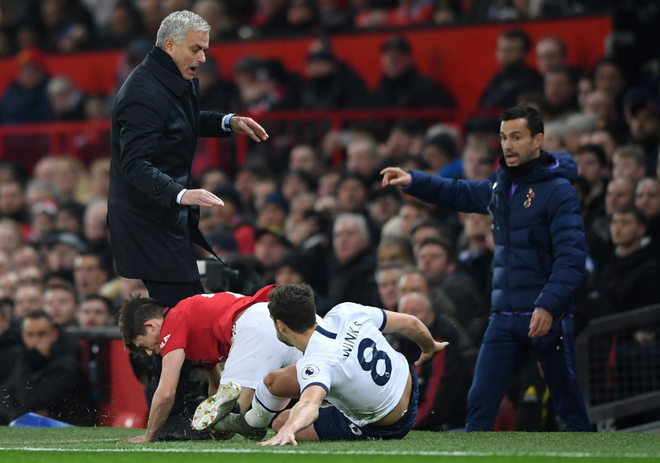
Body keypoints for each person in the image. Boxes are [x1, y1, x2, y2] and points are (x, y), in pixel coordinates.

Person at [381, 104, 592, 432]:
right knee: (479, 401)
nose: (508, 145)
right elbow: (458, 192)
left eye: (517, 137)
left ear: (538, 140)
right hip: (504, 317)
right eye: (504, 137)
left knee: (569, 405)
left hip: (547, 317)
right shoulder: (499, 186)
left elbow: (571, 258)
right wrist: (413, 180)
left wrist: (549, 305)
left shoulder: (559, 190)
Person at [108, 10, 268, 438]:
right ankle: (175, 416)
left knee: (183, 314)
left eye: (205, 50)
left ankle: (183, 412)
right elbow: (134, 164)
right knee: (182, 316)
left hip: (165, 217)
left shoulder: (174, 81)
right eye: (196, 49)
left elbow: (183, 120)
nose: (202, 58)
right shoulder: (141, 91)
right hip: (147, 221)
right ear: (171, 45)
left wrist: (225, 122)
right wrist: (180, 193)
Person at [228, 284, 446, 445]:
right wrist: (429, 347)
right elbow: (411, 323)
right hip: (405, 378)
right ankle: (250, 425)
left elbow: (309, 406)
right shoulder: (347, 311)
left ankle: (333, 405)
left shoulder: (316, 363)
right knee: (274, 381)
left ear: (281, 325)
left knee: (280, 422)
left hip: (389, 423)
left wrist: (289, 429)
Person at [118, 285, 300, 443]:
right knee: (318, 384)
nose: (150, 353)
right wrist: (211, 422)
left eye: (143, 345)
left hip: (254, 326)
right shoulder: (194, 323)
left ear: (151, 326)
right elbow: (215, 384)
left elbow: (166, 392)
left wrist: (150, 435)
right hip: (279, 318)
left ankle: (253, 424)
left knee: (227, 419)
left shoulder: (172, 322)